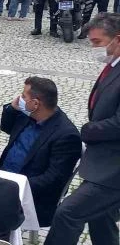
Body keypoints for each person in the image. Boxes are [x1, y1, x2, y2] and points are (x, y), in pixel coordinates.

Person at [45, 13, 120, 245]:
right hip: (103, 160)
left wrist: (89, 130)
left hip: (113, 169)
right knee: (100, 218)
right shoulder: (113, 65)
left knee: (68, 213)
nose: (93, 48)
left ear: (117, 39)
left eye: (97, 42)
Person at [0, 77, 82, 228]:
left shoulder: (66, 135)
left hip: (28, 193)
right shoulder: (29, 114)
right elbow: (7, 127)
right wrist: (12, 108)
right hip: (2, 177)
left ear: (35, 104)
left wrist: (15, 185)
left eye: (23, 96)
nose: (20, 98)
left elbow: (54, 179)